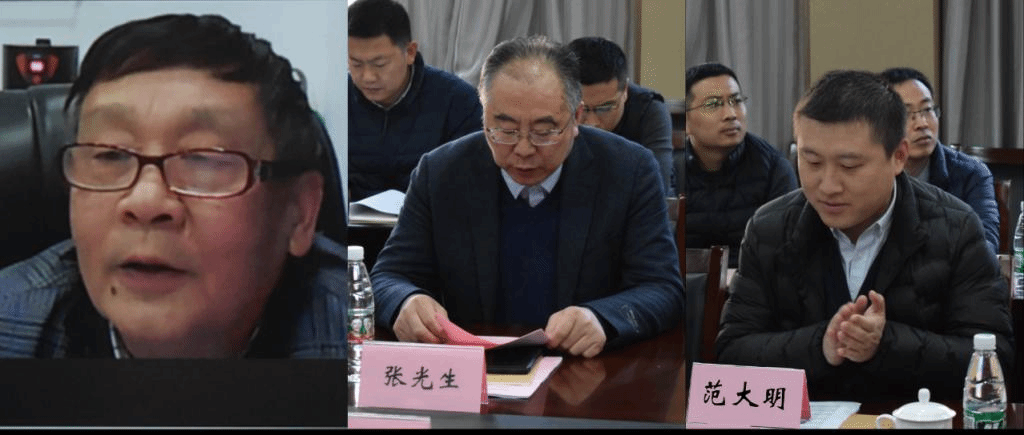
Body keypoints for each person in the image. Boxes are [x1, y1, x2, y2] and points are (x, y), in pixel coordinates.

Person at [0, 14, 346, 358]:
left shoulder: (355, 333)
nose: (145, 202)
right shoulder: (11, 323)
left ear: (300, 213)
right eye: (110, 154)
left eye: (203, 158)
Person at [371, 35, 684, 358]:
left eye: (543, 132)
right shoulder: (441, 172)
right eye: (505, 130)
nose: (523, 148)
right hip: (478, 366)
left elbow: (663, 289)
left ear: (576, 118)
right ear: (484, 116)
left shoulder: (629, 170)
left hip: (584, 369)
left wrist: (602, 318)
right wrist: (405, 301)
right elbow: (388, 277)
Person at [716, 70, 1013, 401]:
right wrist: (821, 345)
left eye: (849, 166)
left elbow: (996, 361)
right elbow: (731, 355)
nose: (828, 185)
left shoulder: (956, 228)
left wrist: (886, 344)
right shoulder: (769, 228)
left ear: (898, 157)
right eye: (811, 161)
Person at [347, 0, 483, 201]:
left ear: (410, 52)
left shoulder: (458, 102)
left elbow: (472, 182)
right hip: (353, 220)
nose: (368, 77)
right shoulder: (338, 101)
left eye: (379, 64)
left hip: (431, 218)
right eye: (356, 64)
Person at [681, 62, 797, 267]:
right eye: (713, 105)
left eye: (736, 101)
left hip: (753, 281)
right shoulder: (668, 170)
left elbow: (787, 252)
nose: (731, 114)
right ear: (686, 121)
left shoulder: (773, 168)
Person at [879, 67, 999, 254]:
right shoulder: (870, 173)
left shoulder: (971, 173)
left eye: (927, 110)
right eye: (906, 114)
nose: (922, 123)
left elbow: (985, 246)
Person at [567, 36, 674, 194]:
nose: (591, 123)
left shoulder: (649, 110)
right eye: (579, 108)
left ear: (625, 92)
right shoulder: (553, 105)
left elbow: (657, 187)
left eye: (604, 107)